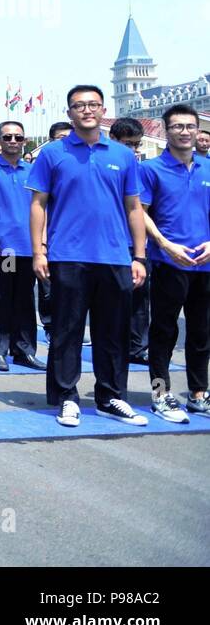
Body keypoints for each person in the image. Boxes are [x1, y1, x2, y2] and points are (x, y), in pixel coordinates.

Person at [29, 86, 149, 427]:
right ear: (69, 113)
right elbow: (38, 205)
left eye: (93, 104)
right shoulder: (53, 153)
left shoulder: (123, 155)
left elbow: (134, 207)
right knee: (67, 330)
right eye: (79, 105)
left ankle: (111, 396)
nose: (86, 110)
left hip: (114, 256)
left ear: (102, 109)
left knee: (112, 332)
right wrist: (39, 251)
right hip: (68, 255)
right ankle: (67, 397)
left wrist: (138, 256)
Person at [140, 104, 210, 421]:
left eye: (190, 126)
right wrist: (164, 244)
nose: (184, 131)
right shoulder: (152, 169)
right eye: (177, 126)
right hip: (169, 263)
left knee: (201, 332)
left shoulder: (208, 168)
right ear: (165, 131)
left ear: (198, 130)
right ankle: (160, 392)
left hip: (205, 264)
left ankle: (198, 393)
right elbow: (139, 212)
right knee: (164, 332)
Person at [0, 121, 48, 371]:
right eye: (7, 137)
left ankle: (24, 350)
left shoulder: (33, 170)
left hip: (29, 248)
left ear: (24, 140)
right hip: (5, 248)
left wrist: (42, 241)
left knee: (25, 300)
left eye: (17, 137)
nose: (12, 141)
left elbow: (43, 207)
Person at [110, 117, 151, 364]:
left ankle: (138, 347)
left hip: (137, 245)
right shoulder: (104, 164)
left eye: (136, 144)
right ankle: (114, 345)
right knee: (113, 301)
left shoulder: (142, 169)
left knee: (139, 301)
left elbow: (143, 211)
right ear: (113, 140)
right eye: (127, 144)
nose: (132, 150)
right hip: (111, 245)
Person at [37, 120, 75, 341]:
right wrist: (41, 245)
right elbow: (38, 208)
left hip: (73, 243)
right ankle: (51, 327)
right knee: (47, 288)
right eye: (61, 138)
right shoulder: (43, 169)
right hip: (43, 242)